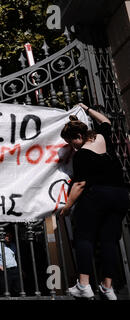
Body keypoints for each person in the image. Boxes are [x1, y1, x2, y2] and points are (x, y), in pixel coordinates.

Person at [59, 103, 129, 300]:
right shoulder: (102, 136)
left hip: (97, 196)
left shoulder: (81, 155)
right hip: (120, 195)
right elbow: (105, 120)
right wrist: (86, 107)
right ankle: (108, 288)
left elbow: (80, 184)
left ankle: (83, 284)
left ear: (78, 137)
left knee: (84, 237)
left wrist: (67, 206)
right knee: (109, 241)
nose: (72, 147)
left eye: (72, 142)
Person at [0, 231, 20, 296]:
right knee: (6, 290)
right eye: (7, 235)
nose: (8, 237)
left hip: (15, 270)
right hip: (5, 270)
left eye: (10, 235)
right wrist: (2, 268)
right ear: (3, 236)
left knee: (18, 289)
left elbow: (15, 257)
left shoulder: (13, 245)